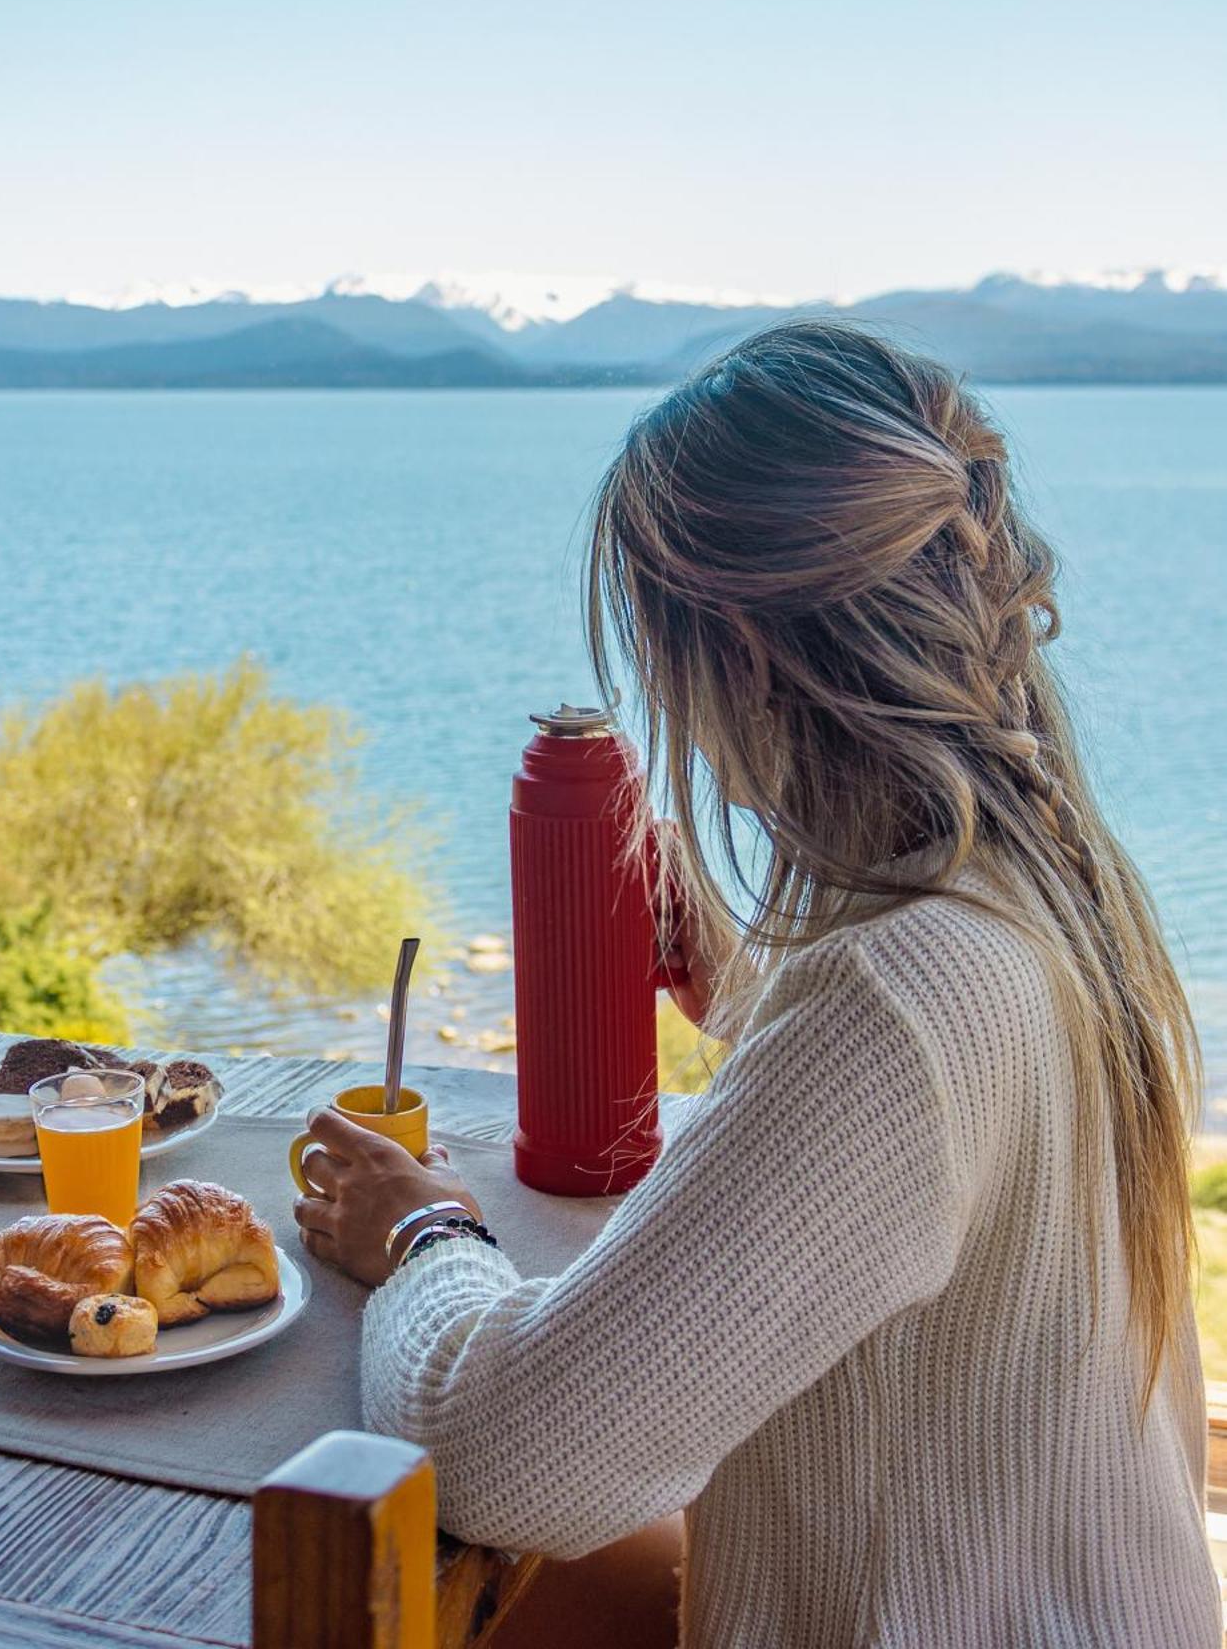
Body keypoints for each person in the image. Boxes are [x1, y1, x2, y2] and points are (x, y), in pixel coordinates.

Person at [294, 323, 1219, 1648]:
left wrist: (423, 1236)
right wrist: (754, 984)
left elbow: (511, 1457)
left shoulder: (891, 995)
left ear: (727, 645)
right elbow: (943, 1120)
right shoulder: (1059, 883)